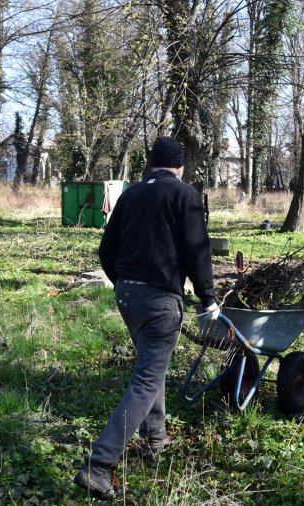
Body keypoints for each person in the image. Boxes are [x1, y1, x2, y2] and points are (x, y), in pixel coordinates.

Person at [73, 137, 220, 499]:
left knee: (150, 368)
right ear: (180, 166)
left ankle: (156, 440)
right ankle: (100, 464)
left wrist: (123, 281)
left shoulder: (131, 195)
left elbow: (107, 249)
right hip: (160, 300)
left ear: (151, 165)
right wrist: (208, 298)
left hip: (128, 295)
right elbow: (197, 250)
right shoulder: (185, 195)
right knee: (146, 378)